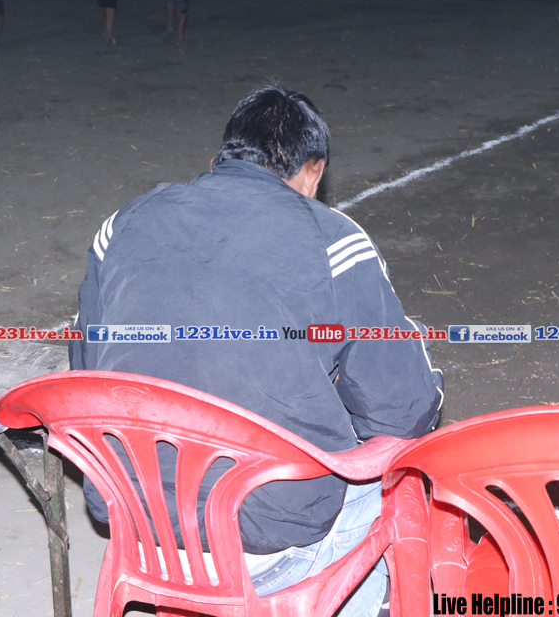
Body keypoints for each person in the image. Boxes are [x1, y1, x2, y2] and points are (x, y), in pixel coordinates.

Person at [69, 83, 443, 616]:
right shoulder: (333, 240)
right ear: (314, 171)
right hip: (269, 542)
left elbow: (85, 368)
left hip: (138, 520)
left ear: (220, 159)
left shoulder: (123, 223)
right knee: (401, 474)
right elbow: (403, 413)